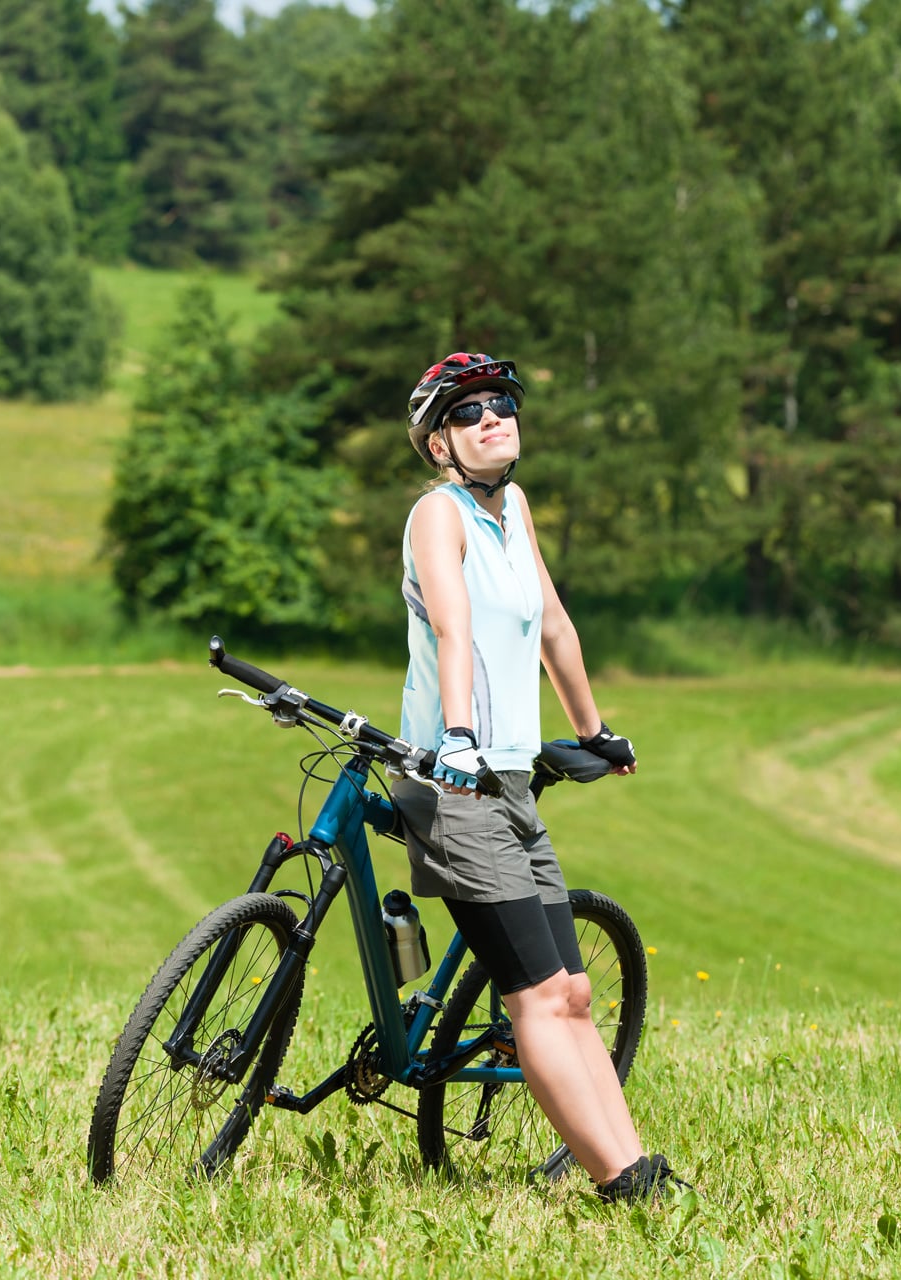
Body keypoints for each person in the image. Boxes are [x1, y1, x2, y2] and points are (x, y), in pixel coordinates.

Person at [389, 351, 687, 1202]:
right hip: (455, 784)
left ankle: (639, 1160)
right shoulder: (436, 516)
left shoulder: (512, 506)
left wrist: (595, 728)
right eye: (470, 412)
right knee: (538, 998)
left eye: (502, 405)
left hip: (510, 780)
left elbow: (552, 623)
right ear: (439, 443)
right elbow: (454, 625)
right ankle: (622, 1182)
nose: (494, 419)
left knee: (577, 989)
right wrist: (454, 734)